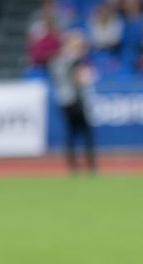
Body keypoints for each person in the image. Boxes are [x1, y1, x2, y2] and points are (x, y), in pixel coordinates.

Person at [51, 32, 97, 174]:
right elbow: (83, 80)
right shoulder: (76, 62)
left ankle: (73, 166)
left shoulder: (57, 61)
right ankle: (90, 166)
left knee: (71, 134)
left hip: (64, 101)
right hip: (77, 101)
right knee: (86, 133)